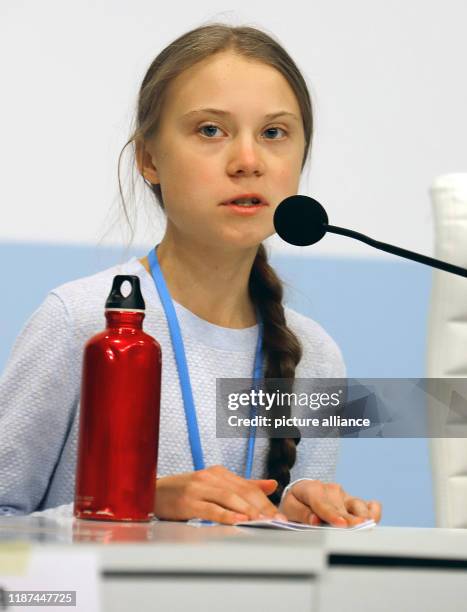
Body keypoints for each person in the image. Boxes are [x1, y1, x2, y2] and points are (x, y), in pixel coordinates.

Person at [0, 22, 382, 527]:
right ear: (148, 158)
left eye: (274, 133)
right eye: (210, 130)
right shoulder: (81, 320)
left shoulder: (317, 355)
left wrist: (291, 523)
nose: (248, 161)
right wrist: (140, 502)